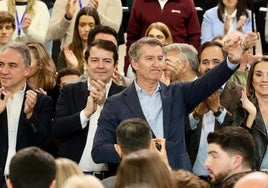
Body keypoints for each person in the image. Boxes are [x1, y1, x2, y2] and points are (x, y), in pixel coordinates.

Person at [92, 34, 258, 171]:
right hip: (139, 179)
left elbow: (209, 82)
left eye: (160, 58)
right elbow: (99, 151)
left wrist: (231, 61)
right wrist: (138, 148)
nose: (157, 64)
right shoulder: (115, 103)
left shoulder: (178, 93)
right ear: (134, 63)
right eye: (149, 58)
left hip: (178, 180)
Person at [52, 39, 125, 179]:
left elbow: (128, 137)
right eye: (95, 60)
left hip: (111, 177)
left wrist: (105, 105)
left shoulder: (126, 95)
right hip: (73, 176)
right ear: (86, 63)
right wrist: (85, 114)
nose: (100, 66)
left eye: (107, 61)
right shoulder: (69, 90)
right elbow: (57, 130)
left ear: (116, 65)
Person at [186, 40, 243, 179]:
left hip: (227, 177)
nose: (210, 67)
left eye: (216, 62)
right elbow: (177, 131)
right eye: (205, 62)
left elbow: (241, 135)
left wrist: (218, 110)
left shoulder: (240, 93)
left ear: (225, 65)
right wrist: (196, 115)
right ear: (198, 66)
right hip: (192, 175)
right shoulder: (186, 91)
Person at [0, 42, 54, 187]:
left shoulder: (42, 102)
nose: (4, 71)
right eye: (1, 64)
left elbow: (42, 145)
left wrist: (30, 115)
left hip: (26, 181)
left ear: (26, 70)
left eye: (12, 66)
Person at [124, 0, 201, 76]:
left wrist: (191, 66)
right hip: (147, 65)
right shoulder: (139, 2)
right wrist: (128, 65)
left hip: (179, 65)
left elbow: (194, 37)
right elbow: (132, 38)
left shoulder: (187, 2)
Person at [101, 118, 168, 188]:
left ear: (118, 149)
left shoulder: (101, 185)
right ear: (152, 147)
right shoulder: (170, 183)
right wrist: (165, 166)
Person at [232, 57, 268, 171]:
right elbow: (236, 146)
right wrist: (251, 116)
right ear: (251, 80)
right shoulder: (242, 107)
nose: (264, 79)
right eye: (259, 74)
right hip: (253, 176)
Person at [47, 0, 122, 50]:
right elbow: (52, 34)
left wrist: (97, 15)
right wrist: (67, 18)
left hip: (101, 63)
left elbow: (114, 30)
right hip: (70, 60)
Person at [57, 7, 100, 73]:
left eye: (91, 25)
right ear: (77, 27)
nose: (86, 29)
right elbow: (61, 81)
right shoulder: (67, 52)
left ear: (97, 27)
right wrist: (74, 68)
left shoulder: (105, 51)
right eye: (82, 25)